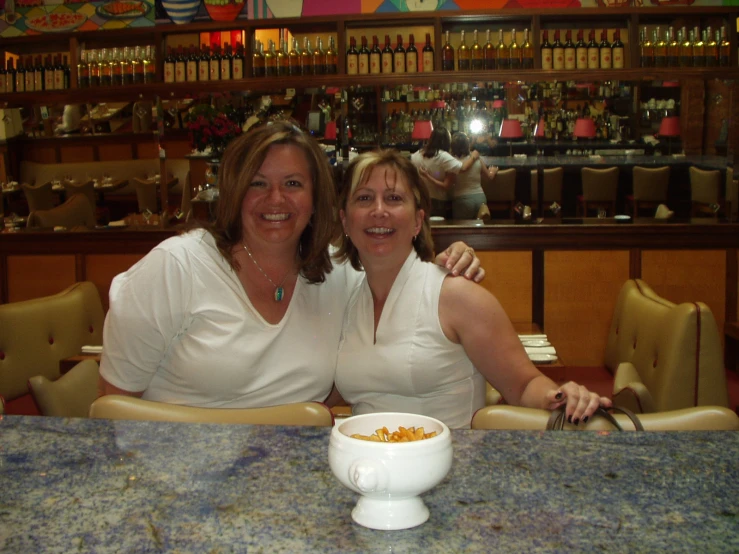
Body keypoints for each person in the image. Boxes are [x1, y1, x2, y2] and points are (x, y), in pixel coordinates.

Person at [98, 121, 483, 407]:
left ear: (317, 198)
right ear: (234, 192)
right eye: (258, 183)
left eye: (294, 184)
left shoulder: (339, 274)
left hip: (292, 481)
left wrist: (453, 259)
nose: (276, 200)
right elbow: (112, 408)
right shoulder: (175, 267)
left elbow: (403, 276)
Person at [333, 149, 611, 429]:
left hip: (449, 465)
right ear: (345, 220)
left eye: (394, 198)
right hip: (363, 465)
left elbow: (525, 385)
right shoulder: (346, 297)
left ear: (417, 221)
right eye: (364, 198)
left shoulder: (457, 295)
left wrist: (564, 397)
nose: (378, 211)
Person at [410, 126, 478, 218]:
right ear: (446, 141)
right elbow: (463, 168)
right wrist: (473, 156)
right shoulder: (443, 156)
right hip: (437, 201)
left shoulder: (415, 155)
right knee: (437, 229)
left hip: (420, 198)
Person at [449, 132, 497, 220]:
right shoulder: (477, 158)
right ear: (467, 145)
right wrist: (493, 171)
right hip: (480, 199)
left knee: (462, 231)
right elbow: (489, 177)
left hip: (462, 200)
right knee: (480, 230)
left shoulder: (451, 161)